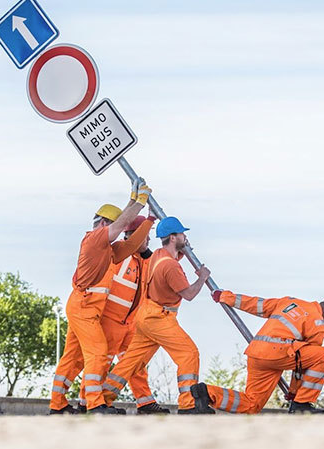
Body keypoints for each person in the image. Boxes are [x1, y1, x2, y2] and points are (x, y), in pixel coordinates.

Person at [49, 178, 154, 415]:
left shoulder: (107, 249)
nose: (118, 231)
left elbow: (130, 246)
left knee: (73, 358)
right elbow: (122, 225)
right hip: (84, 308)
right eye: (114, 226)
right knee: (98, 352)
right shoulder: (95, 239)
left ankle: (58, 405)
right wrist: (140, 202)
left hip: (83, 308)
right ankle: (95, 404)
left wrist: (146, 219)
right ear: (105, 223)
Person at [101, 216, 215, 414]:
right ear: (172, 237)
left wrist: (182, 250)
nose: (184, 236)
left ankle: (101, 399)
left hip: (145, 315)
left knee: (130, 363)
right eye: (181, 234)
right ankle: (189, 405)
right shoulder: (170, 266)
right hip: (159, 318)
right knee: (189, 353)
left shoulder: (159, 256)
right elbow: (188, 294)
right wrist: (202, 278)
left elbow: (170, 260)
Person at [190, 291, 324, 414]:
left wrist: (225, 296)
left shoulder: (291, 302)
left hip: (256, 353)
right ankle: (302, 405)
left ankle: (207, 393)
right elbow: (303, 365)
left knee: (252, 404)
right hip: (279, 354)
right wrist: (296, 396)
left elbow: (258, 304)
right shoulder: (318, 325)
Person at [75, 215, 170, 414]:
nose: (148, 240)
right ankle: (86, 403)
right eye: (145, 236)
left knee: (134, 364)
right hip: (110, 320)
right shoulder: (118, 255)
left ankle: (145, 402)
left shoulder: (143, 259)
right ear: (135, 236)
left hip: (130, 323)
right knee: (100, 361)